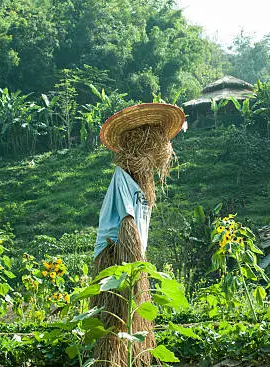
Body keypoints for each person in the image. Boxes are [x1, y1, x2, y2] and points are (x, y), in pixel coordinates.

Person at [91, 103, 185, 367]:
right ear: (137, 146)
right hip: (114, 258)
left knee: (133, 326)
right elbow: (128, 224)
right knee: (113, 323)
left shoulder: (146, 189)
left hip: (133, 260)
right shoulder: (122, 178)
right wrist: (136, 269)